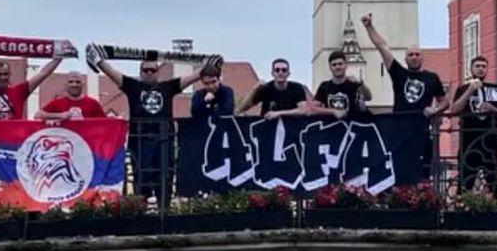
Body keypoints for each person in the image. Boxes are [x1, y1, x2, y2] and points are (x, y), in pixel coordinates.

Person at [90, 47, 215, 203]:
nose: (149, 73)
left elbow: (192, 77)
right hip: (140, 140)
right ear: (141, 72)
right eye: (146, 70)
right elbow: (112, 74)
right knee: (140, 178)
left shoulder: (167, 87)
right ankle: (141, 213)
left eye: (153, 70)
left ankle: (165, 212)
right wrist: (98, 61)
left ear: (158, 72)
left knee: (165, 177)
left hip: (164, 139)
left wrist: (210, 64)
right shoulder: (133, 86)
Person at [360, 15, 447, 116]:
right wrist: (369, 27)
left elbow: (445, 102)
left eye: (417, 54)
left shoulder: (432, 78)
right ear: (405, 59)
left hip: (422, 126)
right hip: (400, 125)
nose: (414, 57)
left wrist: (435, 110)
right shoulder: (399, 73)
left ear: (422, 58)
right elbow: (382, 47)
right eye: (410, 55)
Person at [448, 55, 497, 193]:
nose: (480, 69)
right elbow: (454, 110)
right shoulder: (463, 89)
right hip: (469, 140)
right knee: (465, 182)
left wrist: (492, 108)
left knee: (495, 182)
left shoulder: (493, 90)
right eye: (477, 66)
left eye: (483, 66)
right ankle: (461, 209)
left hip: (490, 141)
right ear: (471, 69)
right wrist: (469, 91)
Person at [237, 59, 312, 118]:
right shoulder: (266, 88)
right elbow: (241, 108)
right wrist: (254, 90)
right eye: (277, 70)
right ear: (272, 73)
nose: (280, 72)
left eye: (284, 70)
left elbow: (304, 110)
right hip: (269, 131)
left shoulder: (297, 88)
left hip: (291, 130)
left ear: (288, 73)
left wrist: (279, 114)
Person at [312, 50, 372, 119]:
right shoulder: (324, 86)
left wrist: (361, 84)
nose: (337, 67)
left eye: (340, 64)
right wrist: (333, 111)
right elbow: (314, 108)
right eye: (334, 65)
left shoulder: (353, 84)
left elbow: (368, 97)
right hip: (331, 128)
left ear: (345, 65)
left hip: (351, 127)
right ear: (330, 67)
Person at [34, 72, 107, 121]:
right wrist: (59, 116)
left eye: (78, 82)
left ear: (83, 84)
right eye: (71, 82)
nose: (74, 85)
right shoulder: (57, 103)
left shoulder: (93, 103)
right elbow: (38, 115)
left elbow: (105, 123)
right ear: (66, 85)